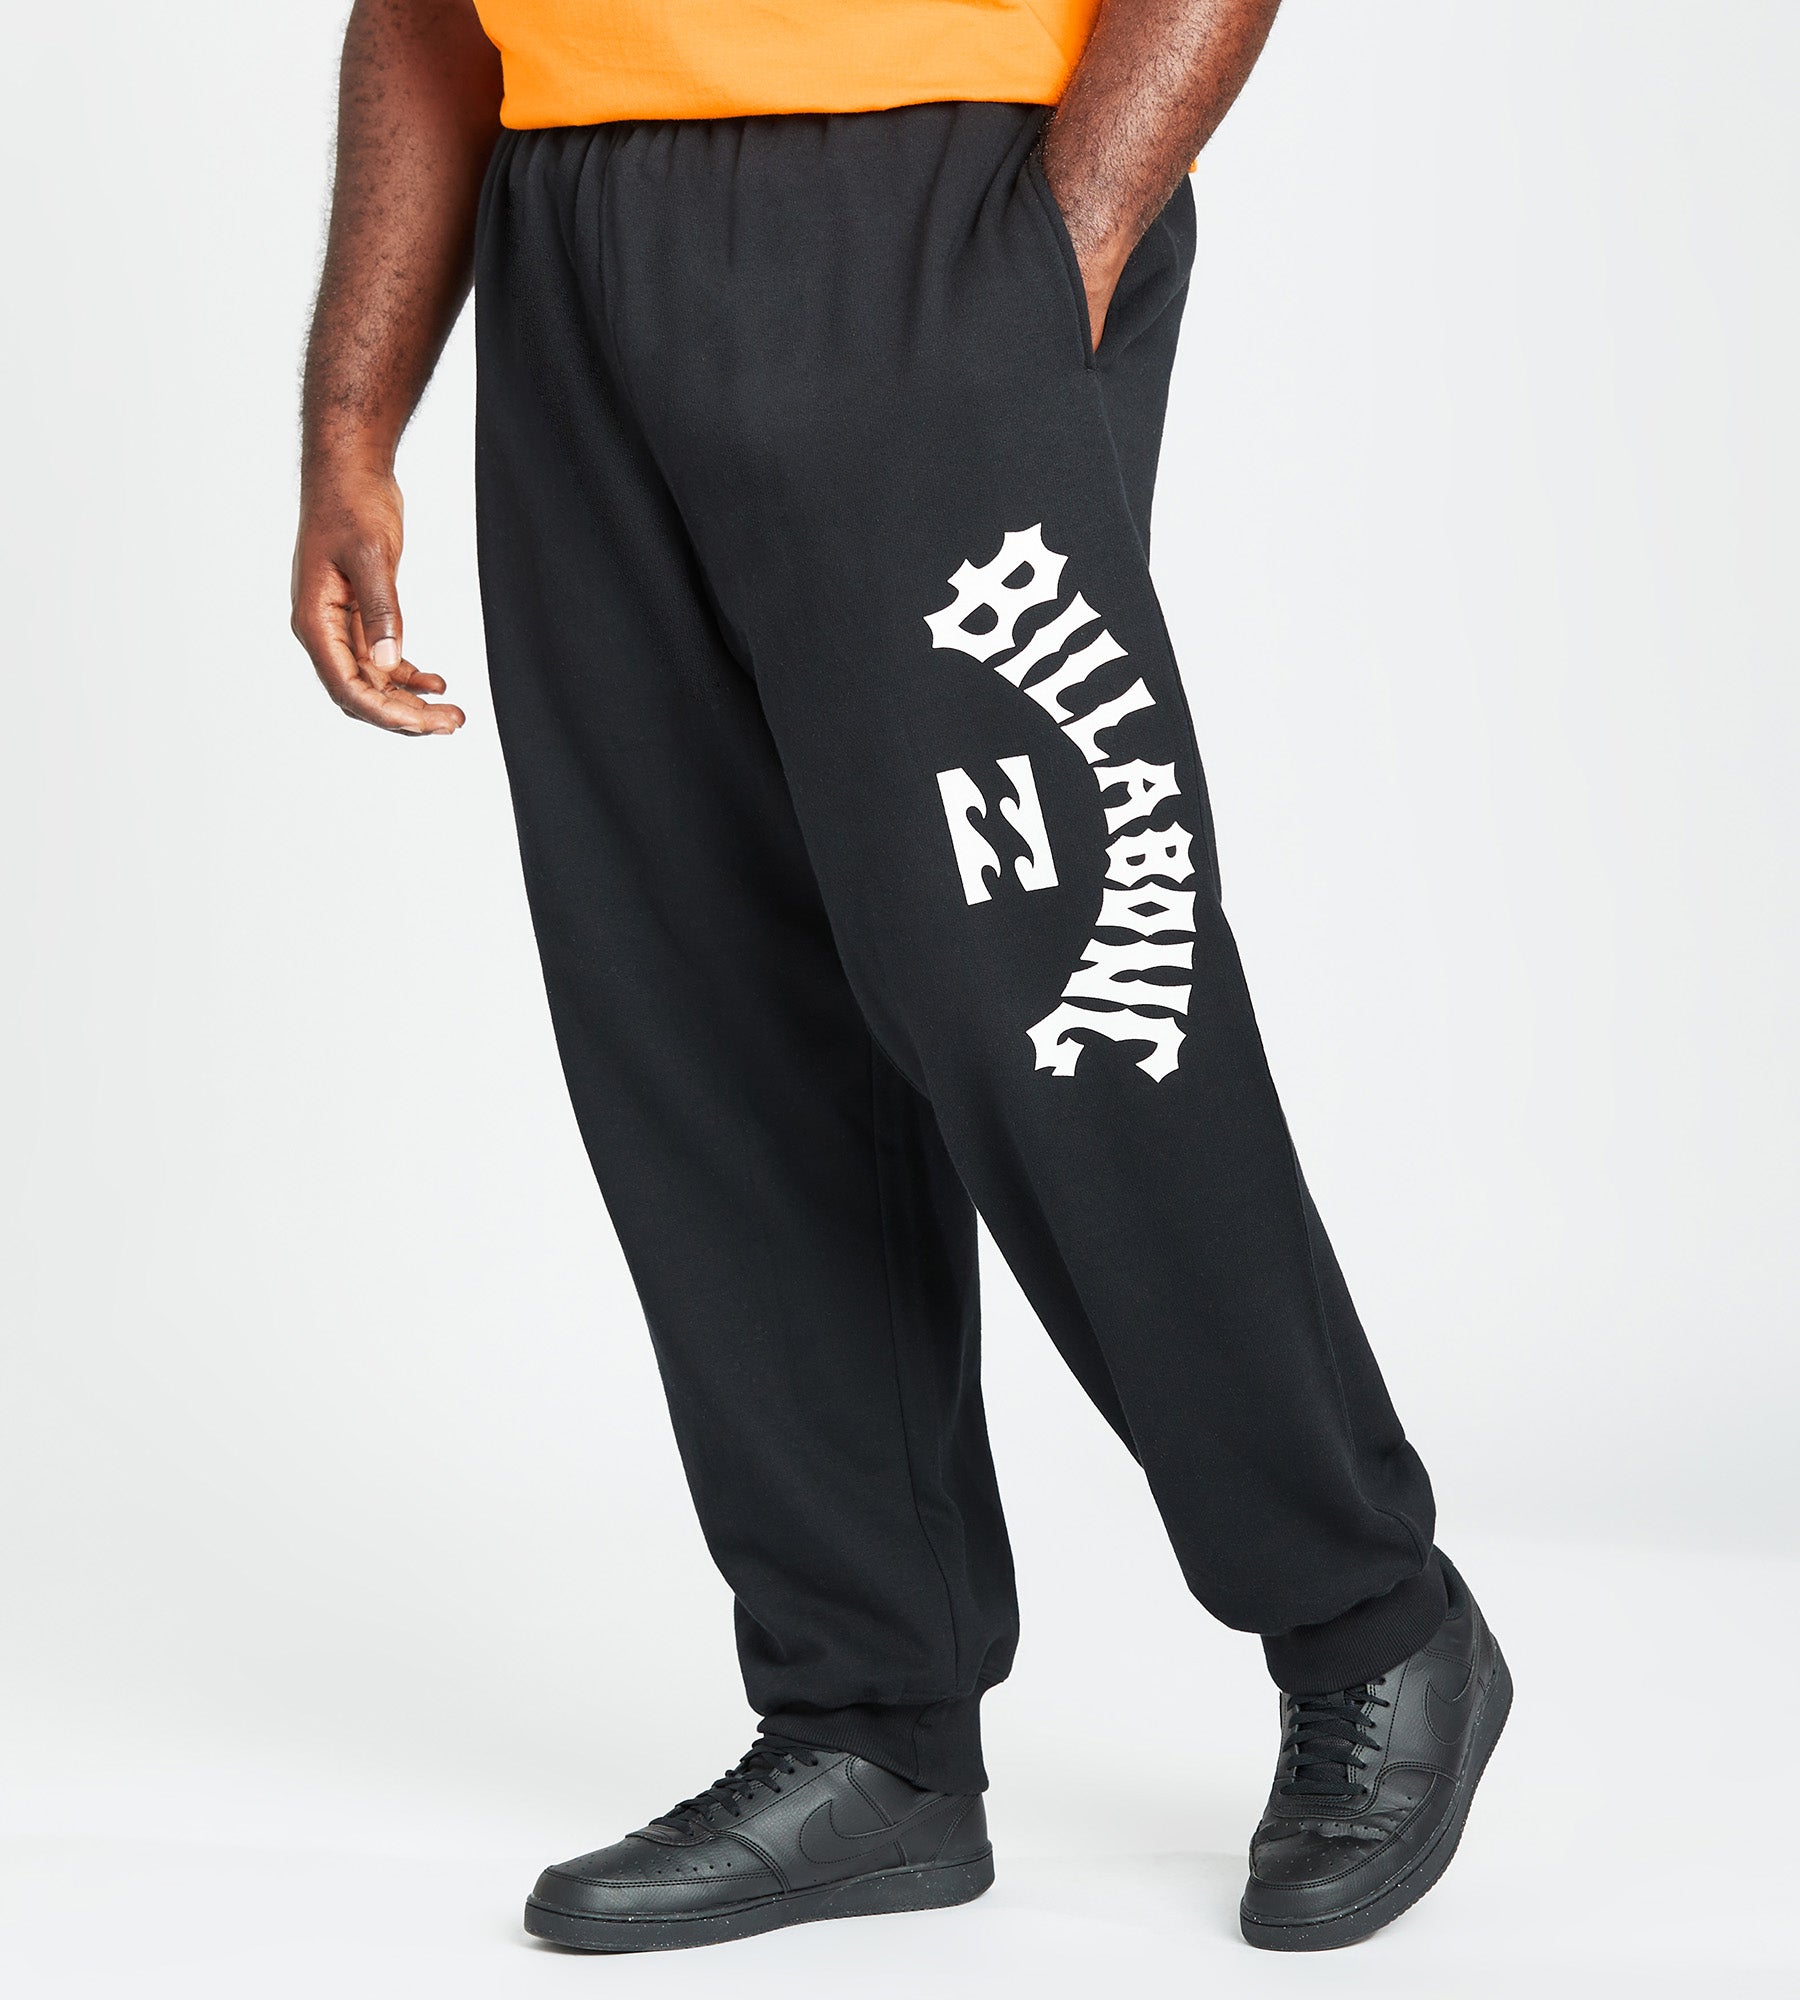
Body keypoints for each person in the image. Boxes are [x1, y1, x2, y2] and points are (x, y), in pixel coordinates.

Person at [291, 0, 1510, 1956]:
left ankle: (1370, 1617)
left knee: (1056, 990)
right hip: (570, 238)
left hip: (931, 198)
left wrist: (1055, 256)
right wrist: (351, 421)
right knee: (690, 1002)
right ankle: (869, 1724)